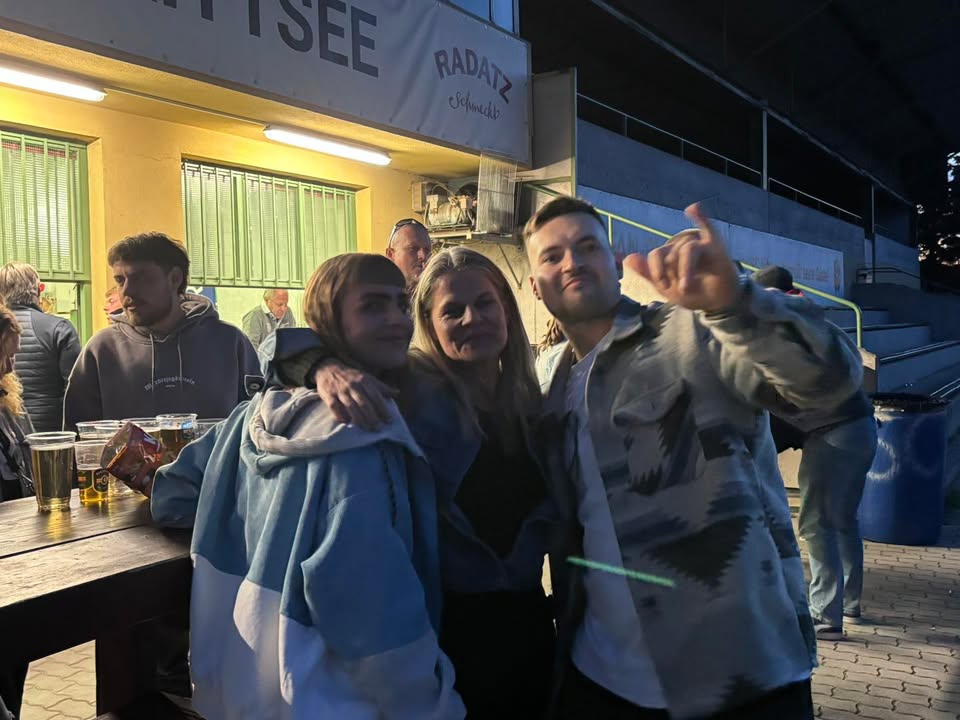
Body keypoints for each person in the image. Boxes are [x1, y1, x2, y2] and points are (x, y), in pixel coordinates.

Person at [527, 196, 862, 719]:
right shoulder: (549, 384)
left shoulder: (691, 332)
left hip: (743, 679)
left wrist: (736, 303)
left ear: (615, 263)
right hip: (601, 680)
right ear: (535, 286)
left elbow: (831, 382)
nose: (571, 262)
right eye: (552, 256)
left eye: (587, 246)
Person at [125, 254, 464, 720]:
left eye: (400, 304)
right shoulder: (361, 440)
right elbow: (371, 609)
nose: (395, 319)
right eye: (372, 306)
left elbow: (172, 496)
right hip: (334, 699)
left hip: (239, 686)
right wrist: (432, 705)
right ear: (328, 320)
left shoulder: (249, 418)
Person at [287, 248, 556, 717]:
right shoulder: (409, 388)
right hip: (448, 633)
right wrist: (322, 368)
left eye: (485, 303)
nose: (472, 318)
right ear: (428, 324)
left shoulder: (530, 399)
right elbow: (284, 347)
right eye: (453, 310)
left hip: (530, 623)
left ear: (507, 310)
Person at [754, 266, 878, 640]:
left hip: (834, 434)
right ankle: (850, 604)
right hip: (861, 427)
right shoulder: (815, 323)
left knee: (815, 523)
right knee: (843, 520)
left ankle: (825, 615)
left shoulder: (783, 334)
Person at [63, 232, 261, 431]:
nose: (127, 291)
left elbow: (258, 425)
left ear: (175, 279)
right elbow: (79, 437)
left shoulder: (229, 343)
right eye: (120, 280)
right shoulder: (102, 350)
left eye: (140, 279)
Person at [0, 305, 35, 720]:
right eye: (3, 357)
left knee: (13, 661)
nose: (10, 367)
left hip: (14, 553)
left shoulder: (6, 401)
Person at [0, 263, 80, 433]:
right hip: (52, 432)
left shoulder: (4, 329)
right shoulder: (59, 328)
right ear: (39, 290)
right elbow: (76, 387)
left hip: (9, 428)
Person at [386, 218, 432, 287]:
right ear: (391, 255)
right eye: (413, 249)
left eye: (427, 250)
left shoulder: (441, 291)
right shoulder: (376, 291)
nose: (423, 256)